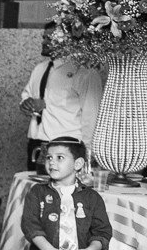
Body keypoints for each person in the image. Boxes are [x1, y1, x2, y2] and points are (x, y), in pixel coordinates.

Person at [20, 22, 102, 172]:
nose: (43, 42)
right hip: (37, 144)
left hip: (67, 146)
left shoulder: (84, 72)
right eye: (44, 37)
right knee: (36, 185)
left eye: (49, 38)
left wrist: (88, 154)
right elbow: (27, 95)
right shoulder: (39, 69)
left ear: (67, 40)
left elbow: (92, 116)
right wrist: (26, 104)